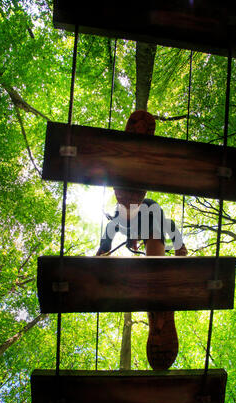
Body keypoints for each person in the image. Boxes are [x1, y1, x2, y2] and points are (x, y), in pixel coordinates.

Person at [96, 110, 188, 370]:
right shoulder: (138, 227)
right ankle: (158, 308)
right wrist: (179, 244)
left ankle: (128, 191)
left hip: (143, 216)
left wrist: (103, 249)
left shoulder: (133, 222)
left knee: (130, 218)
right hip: (147, 224)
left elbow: (113, 226)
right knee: (149, 240)